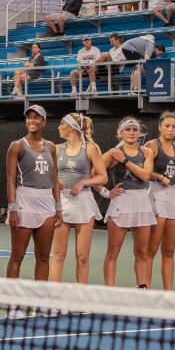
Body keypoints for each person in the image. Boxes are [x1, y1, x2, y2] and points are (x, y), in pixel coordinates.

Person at [5, 105, 61, 318]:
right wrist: (13, 208)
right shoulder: (17, 146)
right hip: (24, 201)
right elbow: (10, 179)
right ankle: (12, 305)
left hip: (46, 202)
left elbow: (54, 178)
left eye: (37, 118)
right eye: (29, 117)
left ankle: (41, 304)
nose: (32, 120)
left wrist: (58, 208)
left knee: (44, 257)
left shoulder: (51, 147)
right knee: (17, 255)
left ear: (44, 122)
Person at [49, 112, 107, 285]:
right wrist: (54, 181)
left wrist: (83, 182)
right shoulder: (57, 149)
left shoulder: (90, 148)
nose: (59, 127)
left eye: (61, 124)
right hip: (62, 203)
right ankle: (54, 297)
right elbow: (48, 174)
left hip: (84, 203)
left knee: (82, 257)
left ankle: (80, 296)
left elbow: (103, 177)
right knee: (59, 254)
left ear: (72, 127)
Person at [101, 118, 156, 289]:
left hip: (142, 202)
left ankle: (142, 289)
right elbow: (94, 174)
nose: (131, 132)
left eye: (134, 129)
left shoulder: (146, 152)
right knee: (113, 252)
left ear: (139, 133)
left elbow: (146, 176)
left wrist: (124, 160)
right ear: (121, 133)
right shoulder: (112, 153)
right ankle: (111, 292)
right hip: (121, 202)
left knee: (142, 252)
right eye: (127, 129)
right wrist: (106, 192)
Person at [141, 111, 175, 290]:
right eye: (167, 126)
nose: (171, 130)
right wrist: (159, 176)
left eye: (174, 127)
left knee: (169, 250)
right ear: (160, 127)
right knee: (151, 249)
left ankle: (167, 293)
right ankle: (145, 289)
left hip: (174, 195)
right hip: (156, 193)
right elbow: (143, 172)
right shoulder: (152, 145)